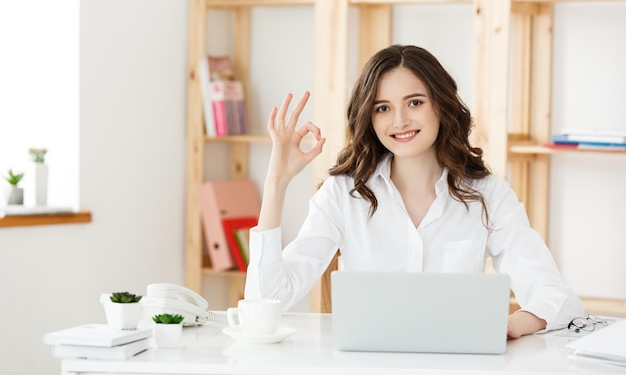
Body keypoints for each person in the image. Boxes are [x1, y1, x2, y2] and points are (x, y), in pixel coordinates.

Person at [244, 44, 584, 339]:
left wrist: (512, 323)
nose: (399, 121)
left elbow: (557, 297)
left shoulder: (488, 195)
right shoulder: (344, 194)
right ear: (369, 118)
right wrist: (277, 181)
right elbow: (266, 301)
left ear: (441, 105)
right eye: (383, 108)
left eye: (415, 103)